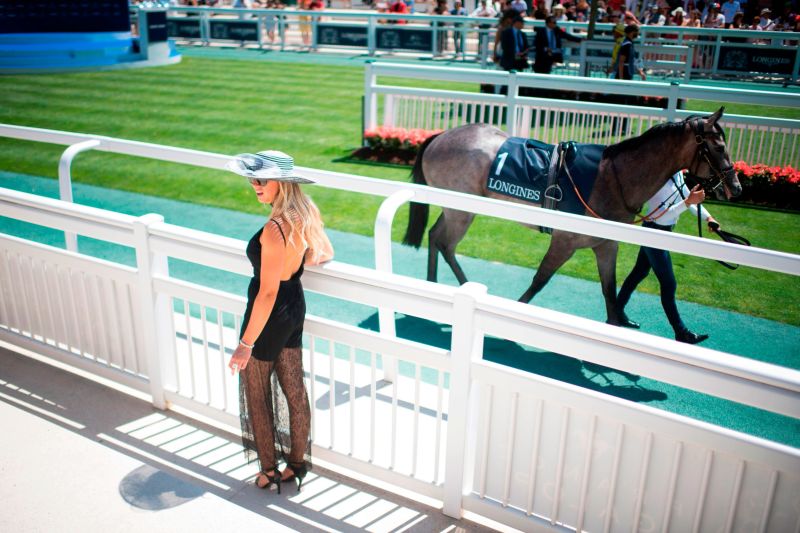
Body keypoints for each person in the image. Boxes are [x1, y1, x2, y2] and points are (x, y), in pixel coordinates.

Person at [226, 150, 334, 492]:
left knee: (256, 392)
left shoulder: (275, 229)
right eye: (252, 179)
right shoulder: (304, 213)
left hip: (271, 312)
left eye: (261, 180)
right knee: (294, 390)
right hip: (295, 303)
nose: (254, 186)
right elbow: (324, 253)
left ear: (281, 182)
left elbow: (267, 293)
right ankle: (298, 464)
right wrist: (300, 255)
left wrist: (245, 345)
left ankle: (269, 471)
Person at [616, 171, 718, 344]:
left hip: (658, 232)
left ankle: (616, 312)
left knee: (639, 273)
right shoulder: (657, 176)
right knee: (669, 283)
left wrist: (708, 217)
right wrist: (687, 203)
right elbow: (660, 216)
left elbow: (686, 195)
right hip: (655, 232)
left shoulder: (676, 173)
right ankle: (681, 332)